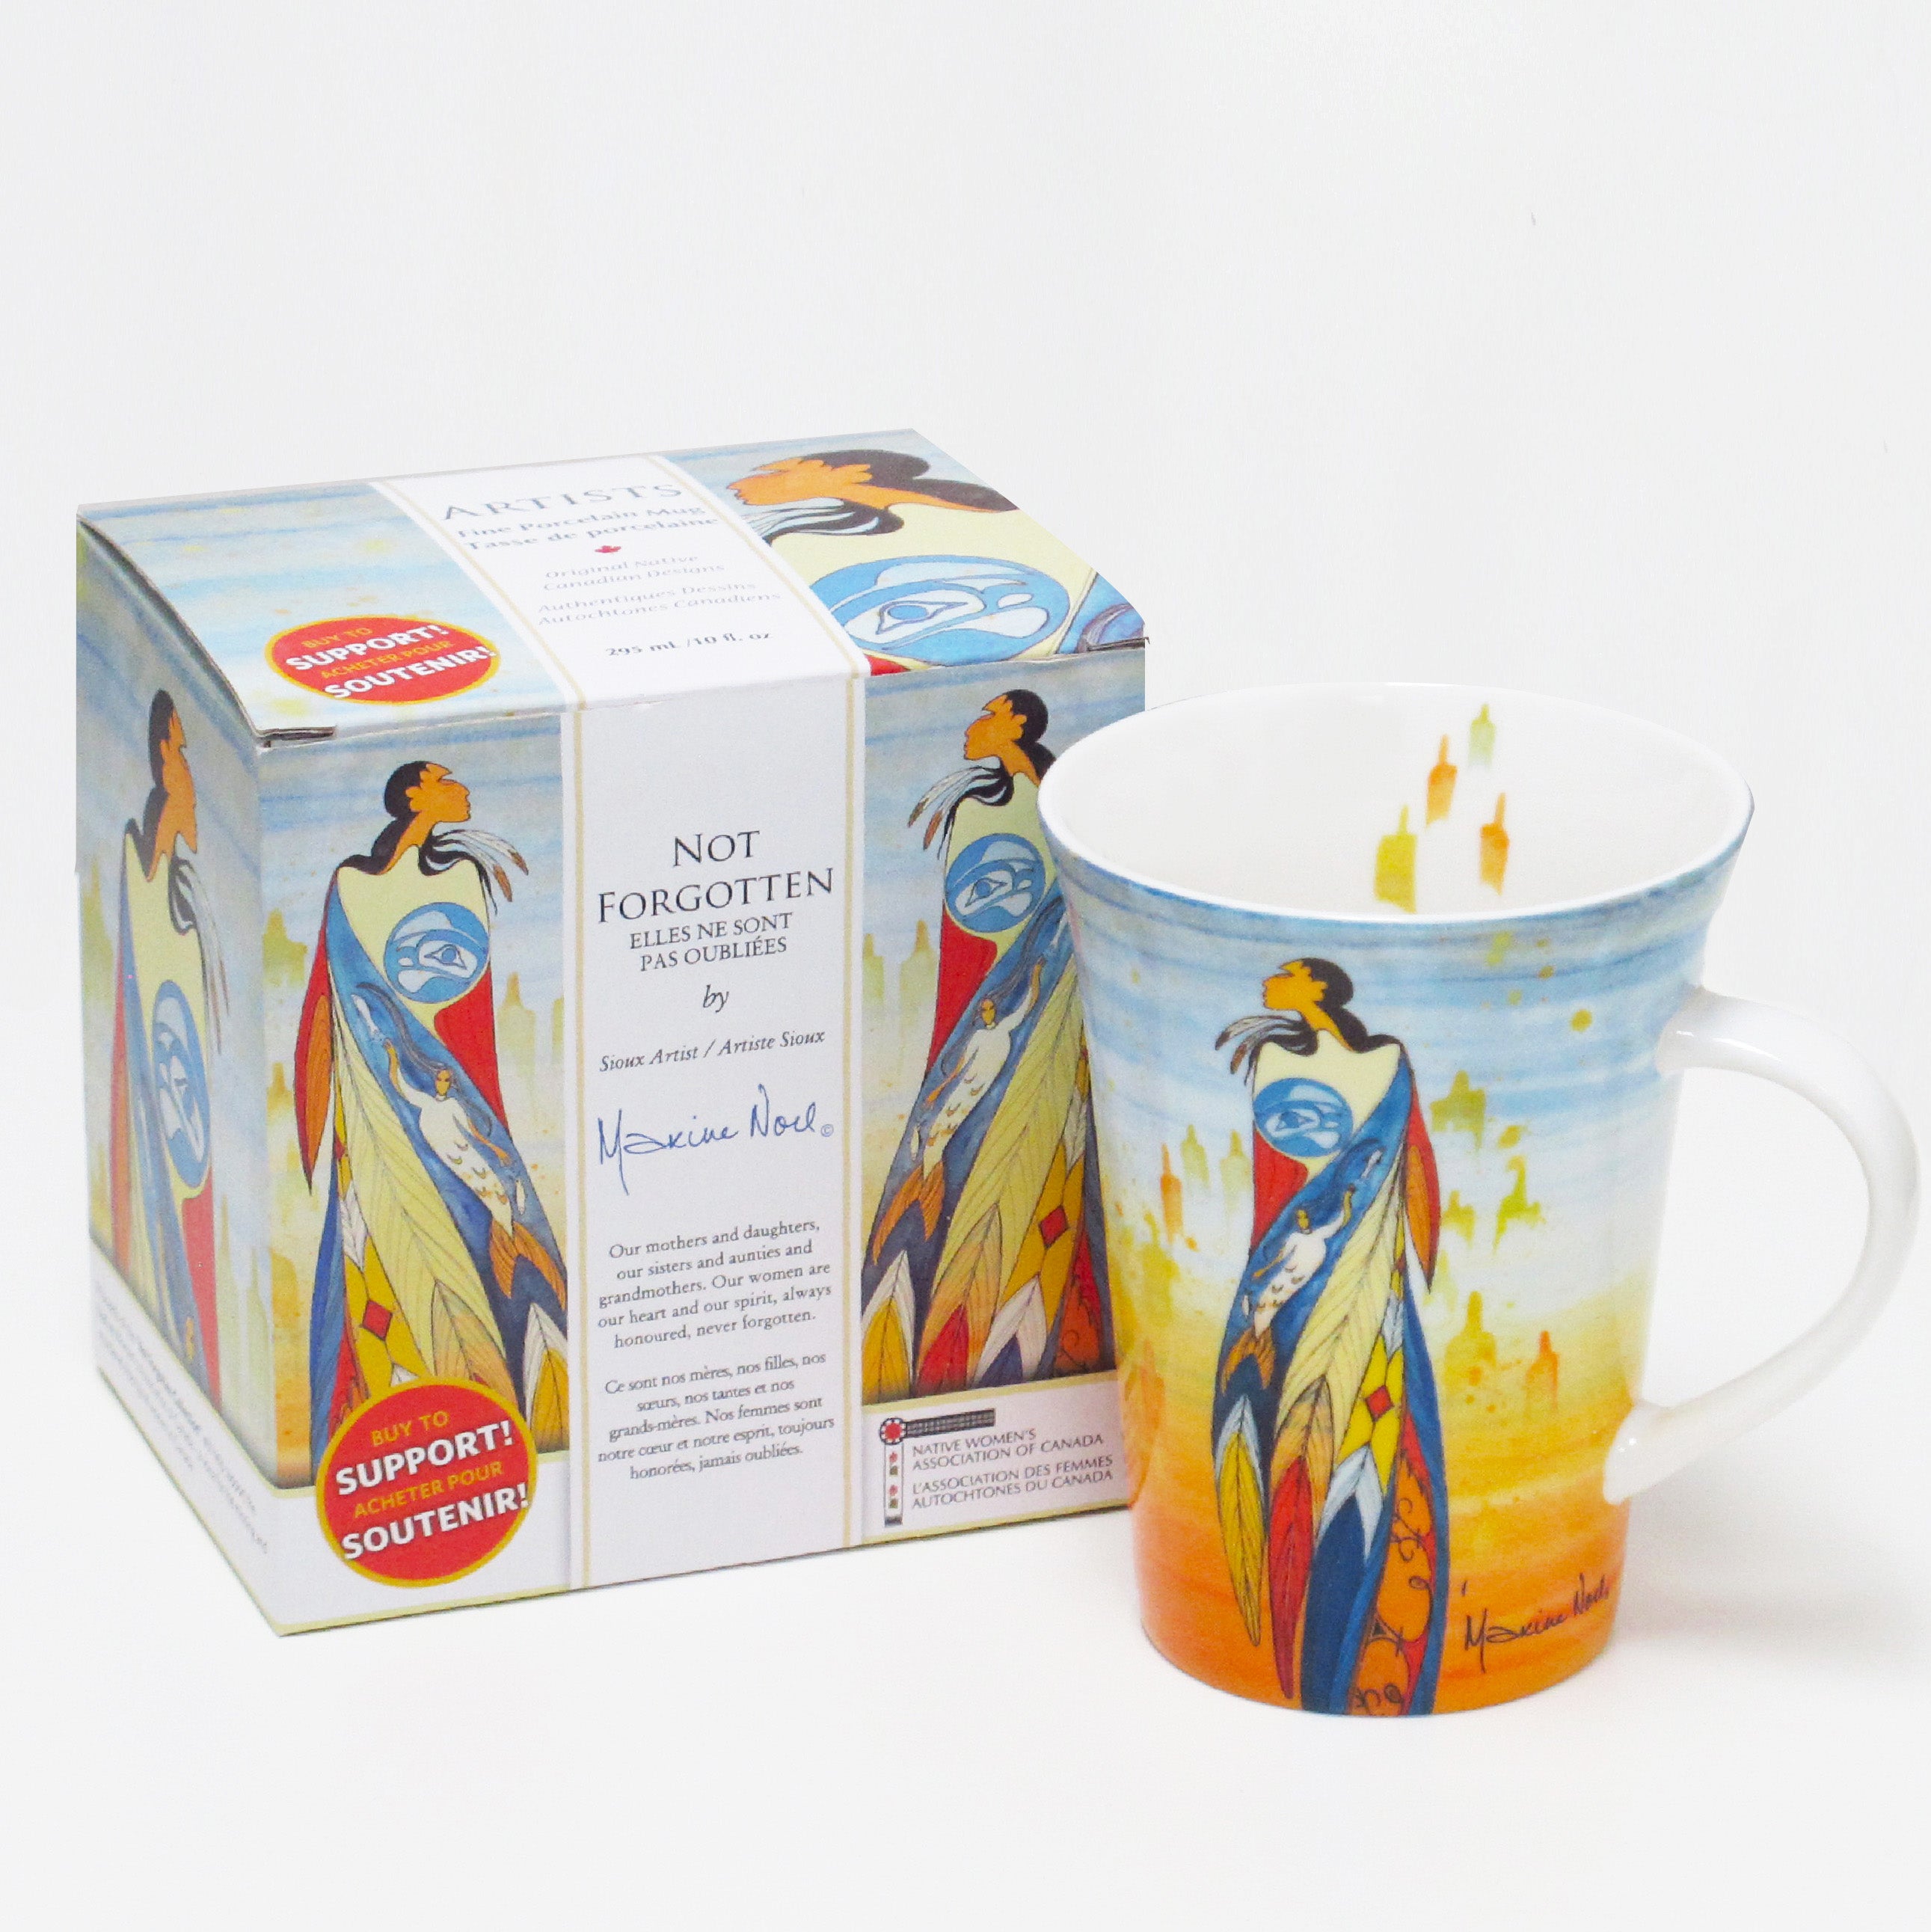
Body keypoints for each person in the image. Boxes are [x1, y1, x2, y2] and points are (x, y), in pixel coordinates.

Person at [295, 761, 567, 1465]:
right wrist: (317, 1125)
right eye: (447, 780)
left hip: (454, 1105)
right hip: (378, 1112)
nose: (464, 788)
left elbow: (471, 1023)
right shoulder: (350, 885)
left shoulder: (463, 880)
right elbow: (325, 1004)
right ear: (416, 794)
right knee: (386, 1254)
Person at [1211, 959, 1449, 1715]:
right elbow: (1275, 1191)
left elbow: (1414, 1174)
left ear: (1316, 989)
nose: (1269, 982)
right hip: (1290, 1284)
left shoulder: (1388, 1061)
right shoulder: (1271, 1059)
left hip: (1369, 1290)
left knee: (1374, 1447)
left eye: (1284, 975)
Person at [859, 692, 1111, 1401]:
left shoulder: (1067, 805)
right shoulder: (976, 807)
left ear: (1017, 725)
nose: (972, 727)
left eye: (987, 715)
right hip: (989, 1015)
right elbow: (965, 939)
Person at [110, 691, 227, 1399]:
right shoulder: (145, 888)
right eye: (182, 753)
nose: (190, 777)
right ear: (161, 759)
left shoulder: (184, 913)